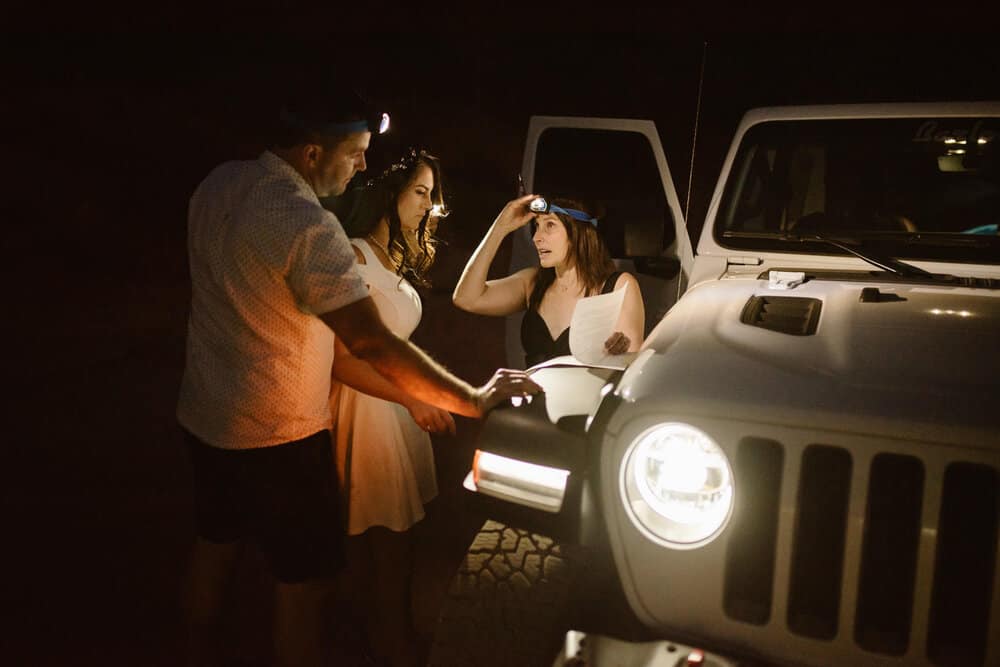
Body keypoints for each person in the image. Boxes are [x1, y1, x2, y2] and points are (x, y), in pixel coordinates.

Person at [176, 85, 539, 667]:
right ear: (313, 152)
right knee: (303, 585)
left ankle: (192, 651)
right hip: (279, 436)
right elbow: (370, 342)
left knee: (215, 546)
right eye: (356, 151)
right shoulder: (306, 227)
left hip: (205, 416)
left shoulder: (218, 184)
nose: (365, 165)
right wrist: (473, 399)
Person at [327, 148, 450, 667]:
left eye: (432, 195)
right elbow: (339, 356)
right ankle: (387, 644)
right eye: (420, 192)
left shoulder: (391, 258)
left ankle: (382, 637)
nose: (429, 204)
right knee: (383, 544)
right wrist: (407, 396)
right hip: (368, 409)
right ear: (390, 191)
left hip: (398, 410)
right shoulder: (353, 254)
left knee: (397, 544)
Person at [453, 193, 644, 367]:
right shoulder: (532, 283)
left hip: (590, 403)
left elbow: (629, 372)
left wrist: (619, 353)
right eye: (537, 226)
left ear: (578, 232)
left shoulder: (618, 286)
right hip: (534, 403)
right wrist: (500, 228)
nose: (537, 237)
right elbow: (467, 298)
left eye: (550, 225)